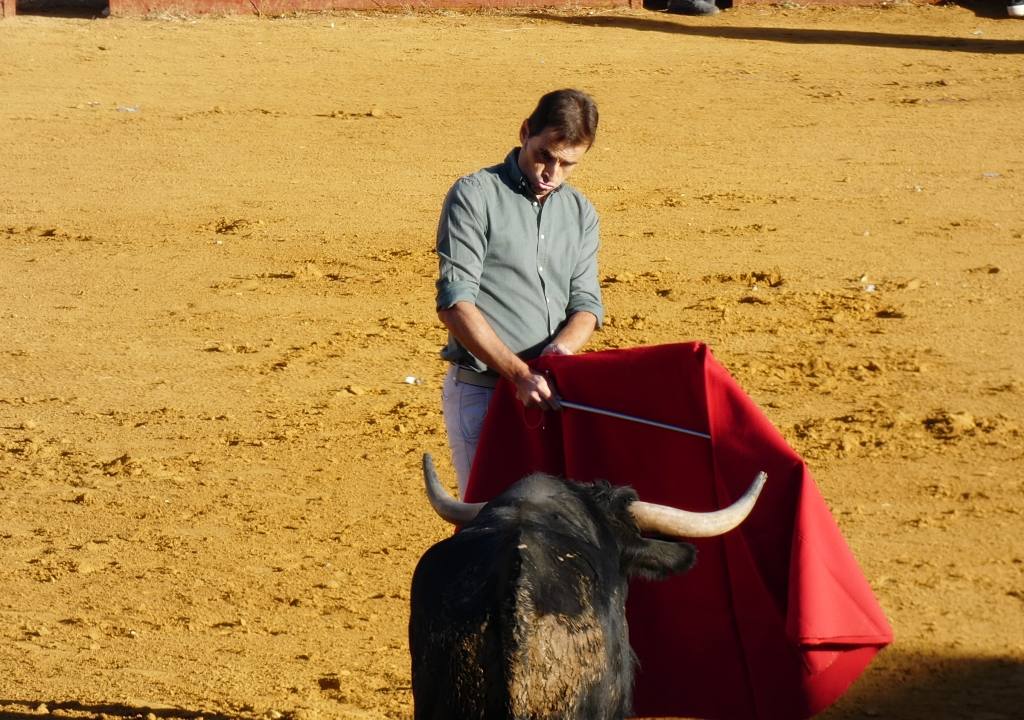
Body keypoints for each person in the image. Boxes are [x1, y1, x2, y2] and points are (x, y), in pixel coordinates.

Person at [434, 88, 605, 497]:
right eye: (545, 154)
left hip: (550, 398)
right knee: (490, 522)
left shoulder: (580, 213)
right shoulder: (474, 195)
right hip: (485, 392)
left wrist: (558, 355)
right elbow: (456, 305)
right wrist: (519, 373)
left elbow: (586, 305)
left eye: (567, 163)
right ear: (526, 131)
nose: (552, 173)